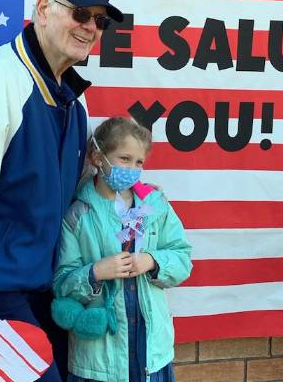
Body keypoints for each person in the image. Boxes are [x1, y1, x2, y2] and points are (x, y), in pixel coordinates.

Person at [0, 0, 123, 380]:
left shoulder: (74, 97)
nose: (90, 27)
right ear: (43, 9)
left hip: (49, 290)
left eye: (99, 20)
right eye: (81, 12)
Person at [51, 117, 192, 382]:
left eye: (139, 162)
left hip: (151, 354)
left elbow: (183, 257)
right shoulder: (78, 214)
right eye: (124, 159)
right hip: (98, 361)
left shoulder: (156, 206)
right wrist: (95, 272)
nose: (133, 169)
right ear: (97, 157)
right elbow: (61, 284)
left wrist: (152, 260)